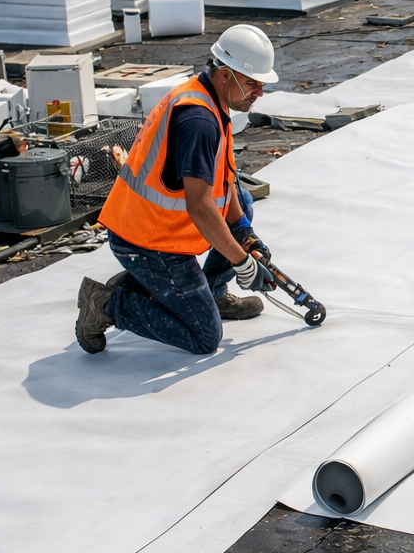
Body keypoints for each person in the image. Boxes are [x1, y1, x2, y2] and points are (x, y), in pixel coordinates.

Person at [76, 24, 280, 355]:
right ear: (225, 75)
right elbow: (200, 206)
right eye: (252, 83)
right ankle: (107, 304)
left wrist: (245, 233)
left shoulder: (210, 98)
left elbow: (225, 180)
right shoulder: (199, 121)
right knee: (204, 337)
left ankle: (209, 294)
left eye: (261, 84)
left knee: (241, 200)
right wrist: (241, 261)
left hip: (158, 226)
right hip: (145, 240)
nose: (259, 92)